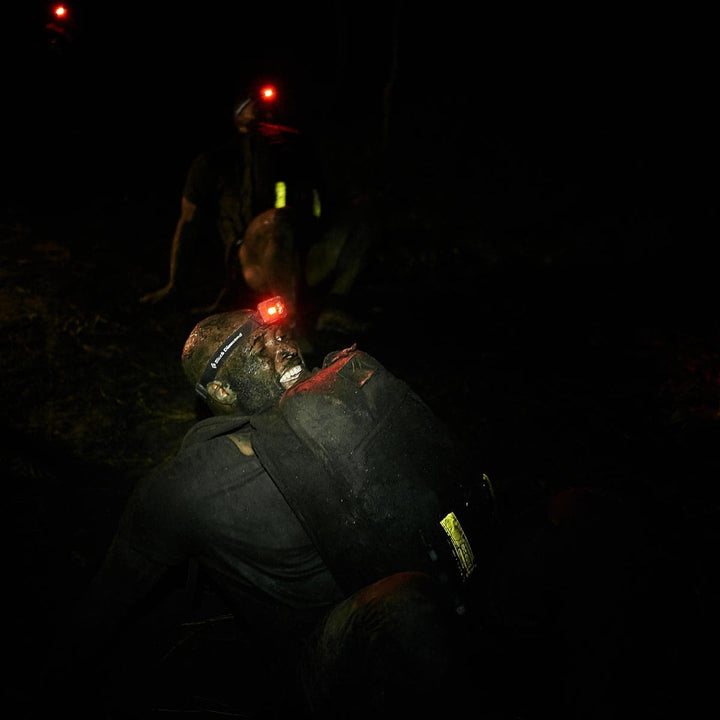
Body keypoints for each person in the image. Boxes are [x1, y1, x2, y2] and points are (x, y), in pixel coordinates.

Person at [48, 296, 494, 717]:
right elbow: (106, 603)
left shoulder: (342, 403)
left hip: (437, 576)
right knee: (407, 609)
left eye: (276, 331)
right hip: (330, 649)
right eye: (254, 344)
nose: (280, 340)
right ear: (221, 389)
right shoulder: (190, 486)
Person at [139, 83, 323, 314]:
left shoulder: (298, 153)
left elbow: (321, 204)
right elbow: (187, 223)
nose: (265, 112)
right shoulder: (214, 162)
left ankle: (336, 303)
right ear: (238, 114)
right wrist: (174, 284)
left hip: (309, 256)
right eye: (255, 105)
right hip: (254, 259)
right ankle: (291, 326)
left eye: (270, 108)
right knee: (278, 221)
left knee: (365, 216)